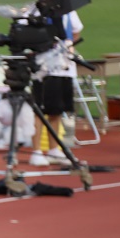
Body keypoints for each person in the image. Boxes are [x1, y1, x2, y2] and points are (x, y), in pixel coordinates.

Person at [29, 9, 84, 167]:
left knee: (57, 109)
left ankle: (54, 150)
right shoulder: (35, 8)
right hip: (44, 67)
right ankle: (36, 151)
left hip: (65, 65)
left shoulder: (68, 8)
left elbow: (76, 31)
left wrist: (65, 47)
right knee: (40, 110)